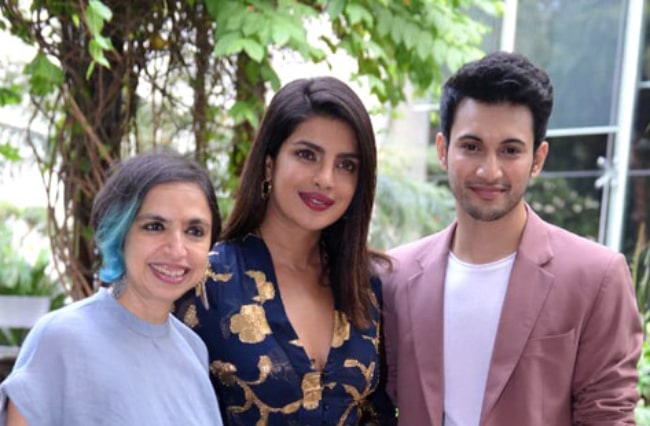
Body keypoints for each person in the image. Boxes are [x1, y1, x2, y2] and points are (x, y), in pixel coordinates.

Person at [381, 51, 643, 425]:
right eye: (471, 146)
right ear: (443, 150)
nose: (490, 170)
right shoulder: (395, 275)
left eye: (510, 150)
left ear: (538, 159)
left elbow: (608, 414)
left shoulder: (596, 276)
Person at [174, 76, 396, 425]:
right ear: (269, 163)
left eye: (346, 165)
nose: (326, 178)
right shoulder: (204, 282)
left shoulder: (368, 286)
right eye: (307, 155)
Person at [0, 150, 225, 426]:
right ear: (120, 233)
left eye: (195, 231)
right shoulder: (61, 339)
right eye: (155, 226)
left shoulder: (193, 350)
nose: (177, 250)